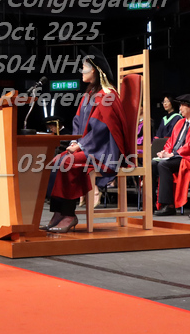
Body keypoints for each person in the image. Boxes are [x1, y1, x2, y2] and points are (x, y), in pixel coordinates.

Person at [42, 47, 131, 233]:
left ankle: (69, 215)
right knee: (56, 160)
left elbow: (102, 129)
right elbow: (77, 124)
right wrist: (75, 142)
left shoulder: (107, 95)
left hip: (104, 150)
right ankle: (59, 212)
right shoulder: (88, 95)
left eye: (84, 67)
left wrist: (81, 145)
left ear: (96, 70)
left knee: (67, 162)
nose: (81, 70)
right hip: (89, 148)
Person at [152, 93, 190, 216]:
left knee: (163, 165)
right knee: (152, 164)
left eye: (182, 105)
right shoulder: (180, 123)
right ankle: (151, 203)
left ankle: (168, 205)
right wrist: (165, 152)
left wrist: (174, 154)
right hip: (177, 156)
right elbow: (170, 142)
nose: (180, 108)